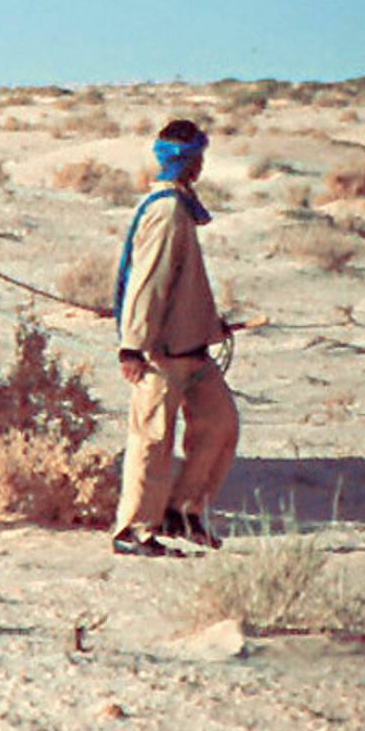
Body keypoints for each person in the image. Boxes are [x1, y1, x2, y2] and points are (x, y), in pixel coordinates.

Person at [110, 119, 240, 558]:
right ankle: (132, 530)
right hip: (159, 355)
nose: (202, 163)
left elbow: (180, 285)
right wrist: (132, 345)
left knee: (220, 425)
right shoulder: (167, 211)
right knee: (152, 440)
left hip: (193, 350)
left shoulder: (180, 206)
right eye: (199, 156)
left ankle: (182, 512)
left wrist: (210, 325)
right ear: (189, 161)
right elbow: (148, 282)